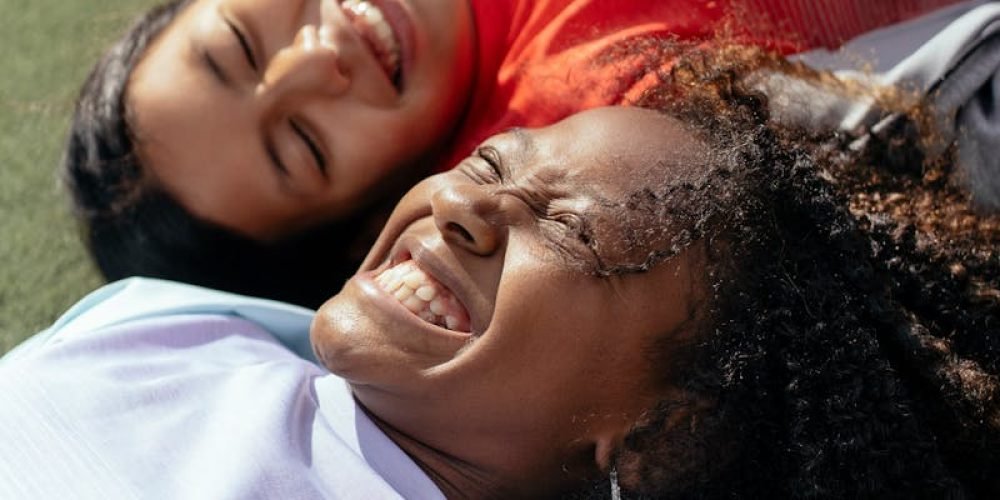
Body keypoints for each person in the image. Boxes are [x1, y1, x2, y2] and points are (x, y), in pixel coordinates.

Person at [10, 41, 998, 497]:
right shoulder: (161, 321)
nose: (464, 205)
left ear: (660, 437)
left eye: (563, 230)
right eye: (489, 161)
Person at [62, 0, 967, 307]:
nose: (315, 60)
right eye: (301, 144)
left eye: (236, 44)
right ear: (365, 229)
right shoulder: (592, 119)